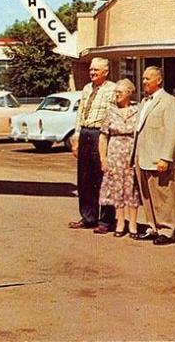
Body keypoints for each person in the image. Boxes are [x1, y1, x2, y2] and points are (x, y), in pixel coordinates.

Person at [132, 65, 175, 245]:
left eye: (148, 78)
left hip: (159, 158)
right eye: (143, 78)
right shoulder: (144, 102)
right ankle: (153, 227)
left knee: (163, 196)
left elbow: (172, 132)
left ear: (159, 80)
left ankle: (167, 231)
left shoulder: (169, 101)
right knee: (147, 196)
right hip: (142, 157)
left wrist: (165, 158)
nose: (144, 82)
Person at [68, 57, 116, 232]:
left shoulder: (112, 90)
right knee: (85, 178)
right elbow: (80, 114)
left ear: (105, 72)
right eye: (90, 69)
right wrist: (76, 137)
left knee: (103, 179)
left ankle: (106, 220)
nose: (92, 73)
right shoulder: (87, 89)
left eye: (96, 70)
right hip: (85, 133)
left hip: (101, 135)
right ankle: (88, 217)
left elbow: (115, 114)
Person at [98, 78, 141, 237]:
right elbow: (103, 137)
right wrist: (103, 158)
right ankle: (120, 222)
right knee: (117, 187)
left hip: (132, 153)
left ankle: (133, 224)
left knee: (132, 188)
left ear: (129, 93)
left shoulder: (138, 110)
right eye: (115, 92)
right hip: (115, 153)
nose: (116, 95)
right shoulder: (110, 112)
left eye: (120, 92)